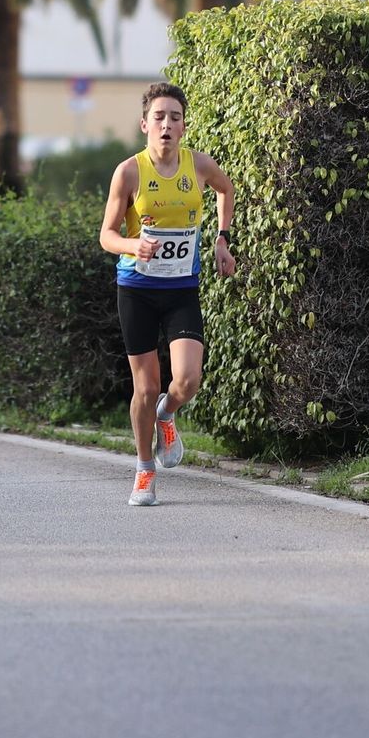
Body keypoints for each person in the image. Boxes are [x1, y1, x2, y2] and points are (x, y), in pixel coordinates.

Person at [99, 82, 236, 506]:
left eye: (174, 118)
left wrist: (221, 240)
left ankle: (168, 413)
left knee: (187, 380)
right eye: (158, 117)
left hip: (181, 288)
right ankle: (144, 470)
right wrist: (131, 245)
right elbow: (106, 235)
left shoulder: (199, 166)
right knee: (145, 386)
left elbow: (226, 190)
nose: (166, 125)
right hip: (137, 290)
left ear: (183, 126)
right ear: (145, 124)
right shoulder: (129, 172)